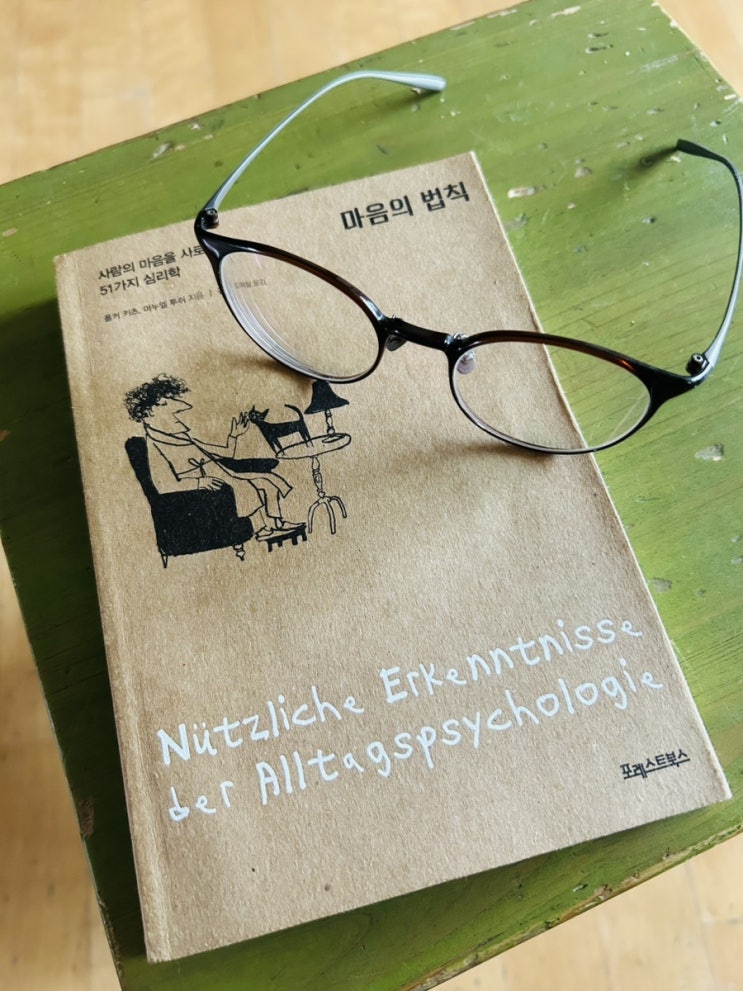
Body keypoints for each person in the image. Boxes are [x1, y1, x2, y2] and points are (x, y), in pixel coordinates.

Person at [124, 373, 300, 541]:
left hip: (224, 473)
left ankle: (277, 524)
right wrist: (198, 482)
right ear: (151, 413)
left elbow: (225, 453)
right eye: (173, 413)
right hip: (211, 483)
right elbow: (163, 485)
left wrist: (234, 436)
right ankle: (266, 528)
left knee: (268, 482)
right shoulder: (154, 444)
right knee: (250, 488)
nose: (179, 418)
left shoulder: (182, 437)